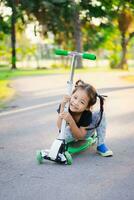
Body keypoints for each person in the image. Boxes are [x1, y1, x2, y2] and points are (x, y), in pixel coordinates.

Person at [57, 79, 113, 157]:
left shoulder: (87, 114)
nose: (76, 103)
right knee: (61, 136)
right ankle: (65, 145)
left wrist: (71, 121)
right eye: (75, 97)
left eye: (82, 102)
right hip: (70, 132)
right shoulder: (66, 106)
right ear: (71, 95)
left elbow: (80, 136)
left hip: (85, 133)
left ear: (87, 107)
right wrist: (62, 107)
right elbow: (60, 127)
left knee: (100, 114)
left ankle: (101, 144)